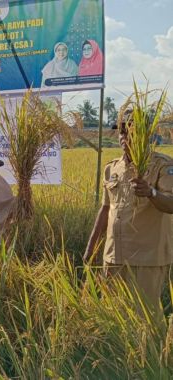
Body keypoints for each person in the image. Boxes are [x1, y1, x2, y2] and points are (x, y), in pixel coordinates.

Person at [84, 111, 173, 315]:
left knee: (145, 319)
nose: (125, 137)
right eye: (122, 132)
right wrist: (91, 248)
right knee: (114, 316)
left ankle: (154, 348)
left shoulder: (162, 165)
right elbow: (106, 209)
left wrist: (151, 193)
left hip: (146, 258)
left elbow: (171, 203)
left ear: (146, 134)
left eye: (132, 131)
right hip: (114, 256)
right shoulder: (112, 168)